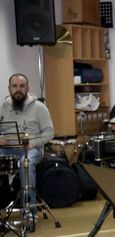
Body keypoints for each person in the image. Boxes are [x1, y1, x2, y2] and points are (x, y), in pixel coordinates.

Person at [0, 73, 54, 221]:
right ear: (9, 88)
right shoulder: (3, 107)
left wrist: (33, 143)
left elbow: (50, 133)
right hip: (8, 149)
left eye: (22, 86)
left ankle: (29, 211)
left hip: (31, 149)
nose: (18, 89)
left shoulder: (39, 107)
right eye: (15, 86)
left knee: (26, 164)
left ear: (28, 88)